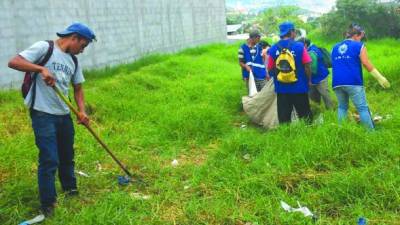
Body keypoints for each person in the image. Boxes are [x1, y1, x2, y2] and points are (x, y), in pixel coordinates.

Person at [8, 22, 96, 216]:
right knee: (49, 159)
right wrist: (40, 69)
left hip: (64, 115)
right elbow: (13, 62)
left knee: (67, 156)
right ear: (74, 38)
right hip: (42, 114)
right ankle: (48, 204)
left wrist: (82, 111)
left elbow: (78, 88)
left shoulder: (73, 61)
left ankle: (70, 190)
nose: (82, 51)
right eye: (83, 45)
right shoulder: (44, 48)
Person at [331, 23, 390, 129]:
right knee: (362, 108)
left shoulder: (334, 47)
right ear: (356, 35)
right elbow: (366, 63)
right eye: (360, 37)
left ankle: (341, 130)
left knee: (342, 107)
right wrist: (380, 77)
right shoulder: (359, 45)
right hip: (353, 82)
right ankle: (371, 134)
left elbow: (335, 64)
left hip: (336, 82)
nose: (360, 40)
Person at [267, 22, 313, 124]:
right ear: (291, 32)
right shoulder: (299, 46)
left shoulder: (273, 48)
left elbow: (270, 68)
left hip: (282, 89)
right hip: (299, 87)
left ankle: (286, 136)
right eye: (294, 31)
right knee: (305, 116)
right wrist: (309, 80)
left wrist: (278, 79)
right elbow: (307, 65)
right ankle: (308, 135)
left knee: (284, 118)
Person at [298, 38, 333, 109]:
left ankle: (330, 110)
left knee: (325, 95)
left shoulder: (311, 52)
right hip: (315, 77)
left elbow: (312, 68)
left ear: (305, 45)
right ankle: (318, 110)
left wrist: (308, 79)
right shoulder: (311, 48)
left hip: (320, 77)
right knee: (314, 96)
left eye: (300, 46)